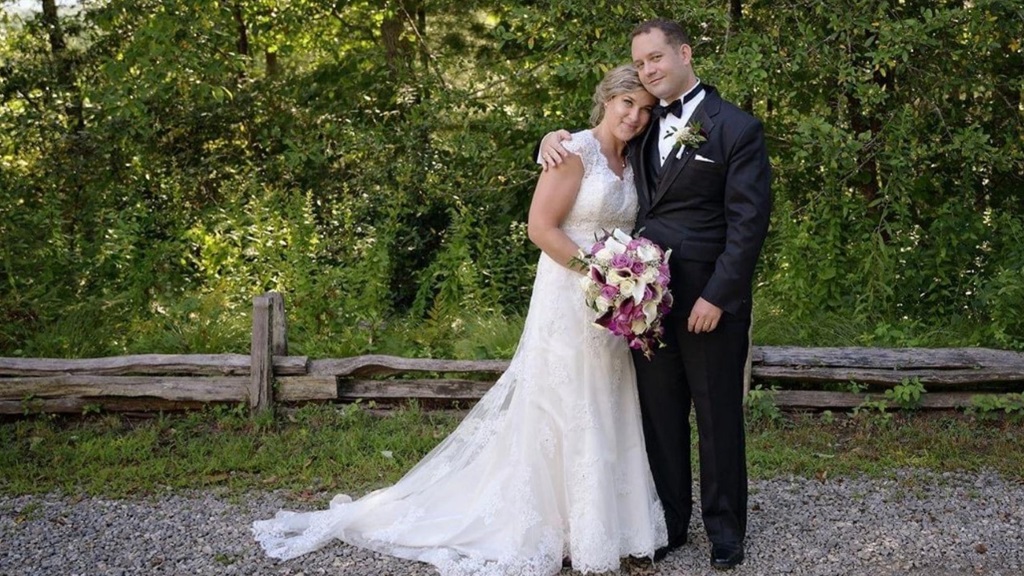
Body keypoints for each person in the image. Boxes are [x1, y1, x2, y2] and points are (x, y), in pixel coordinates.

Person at [253, 64, 668, 576]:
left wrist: (626, 282)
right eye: (628, 103)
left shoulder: (634, 157)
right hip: (571, 291)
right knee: (564, 401)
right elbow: (540, 228)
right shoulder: (572, 151)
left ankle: (600, 525)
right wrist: (598, 274)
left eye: (645, 109)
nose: (635, 116)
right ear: (606, 99)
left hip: (611, 303)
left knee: (604, 397)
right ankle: (553, 524)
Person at [538, 19, 772, 571]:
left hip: (709, 300)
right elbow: (594, 148)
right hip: (644, 300)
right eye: (640, 63)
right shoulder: (642, 127)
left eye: (656, 59)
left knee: (716, 418)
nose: (648, 70)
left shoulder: (736, 128)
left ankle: (725, 531)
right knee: (659, 416)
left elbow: (748, 224)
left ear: (684, 53)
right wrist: (551, 138)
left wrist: (719, 296)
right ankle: (668, 522)